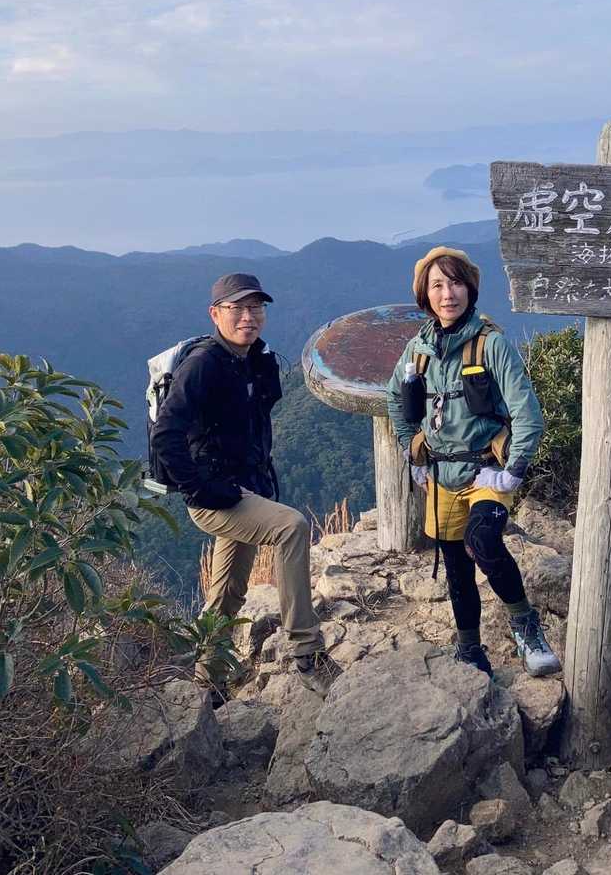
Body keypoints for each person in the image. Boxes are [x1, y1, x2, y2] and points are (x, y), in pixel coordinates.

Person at [149, 273, 341, 696]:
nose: (248, 317)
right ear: (215, 313)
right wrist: (199, 489)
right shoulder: (203, 365)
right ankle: (307, 652)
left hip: (243, 490)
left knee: (228, 594)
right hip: (215, 496)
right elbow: (165, 434)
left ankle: (208, 681)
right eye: (237, 308)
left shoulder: (253, 359)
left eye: (256, 308)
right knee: (291, 527)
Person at [385, 247, 562, 678]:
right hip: (440, 474)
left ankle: (526, 628)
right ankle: (470, 649)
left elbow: (527, 413)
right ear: (425, 296)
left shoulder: (490, 344)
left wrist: (513, 470)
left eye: (456, 283)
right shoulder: (417, 351)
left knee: (483, 541)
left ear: (470, 289)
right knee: (456, 568)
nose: (448, 294)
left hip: (486, 471)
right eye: (437, 285)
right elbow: (395, 401)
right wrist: (413, 452)